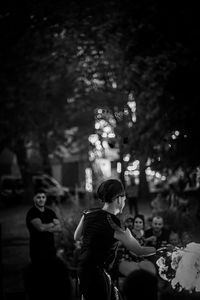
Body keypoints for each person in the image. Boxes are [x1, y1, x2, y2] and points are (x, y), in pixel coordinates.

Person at [74, 179, 156, 300]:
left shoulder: (88, 213)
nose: (125, 200)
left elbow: (76, 236)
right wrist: (159, 249)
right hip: (97, 274)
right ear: (118, 199)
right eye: (124, 198)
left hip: (82, 269)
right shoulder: (116, 225)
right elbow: (139, 250)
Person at [25, 189, 73, 300]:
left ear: (46, 198)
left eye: (43, 197)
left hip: (50, 249)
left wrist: (47, 226)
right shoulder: (32, 213)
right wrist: (51, 225)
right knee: (39, 276)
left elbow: (60, 228)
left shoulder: (50, 212)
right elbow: (40, 228)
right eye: (38, 197)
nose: (41, 199)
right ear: (34, 199)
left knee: (50, 276)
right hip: (37, 250)